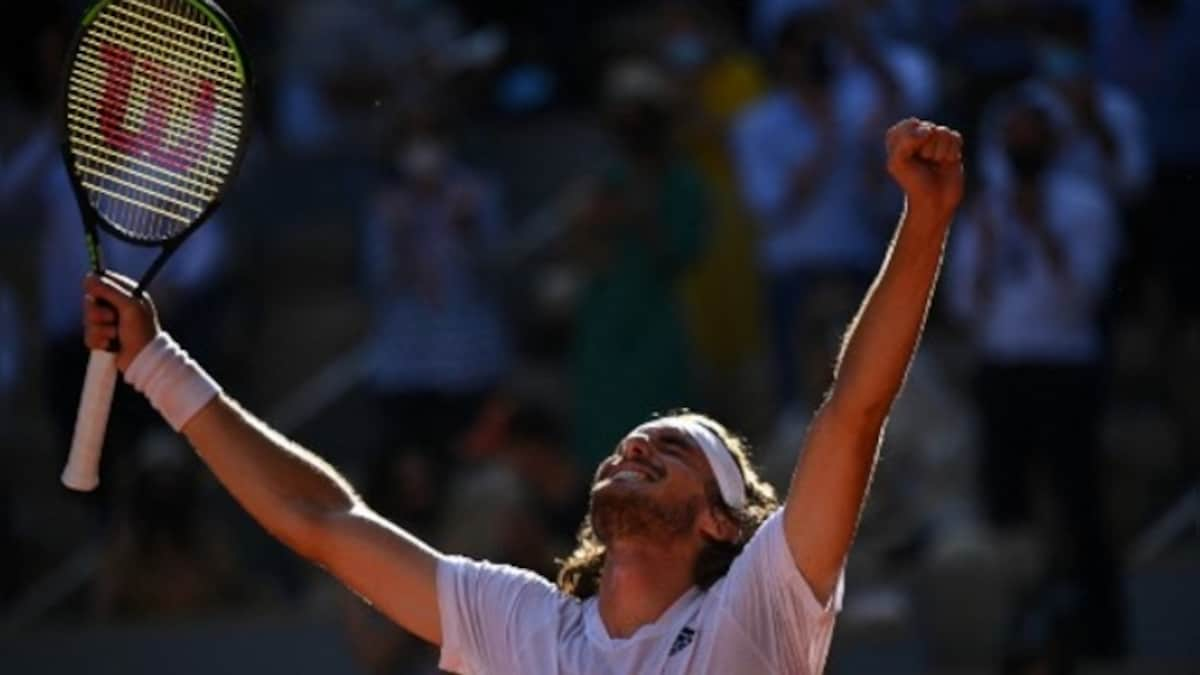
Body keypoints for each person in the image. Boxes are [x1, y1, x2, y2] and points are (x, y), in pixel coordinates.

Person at [79, 118, 963, 674]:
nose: (635, 446)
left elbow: (853, 407)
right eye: (632, 441)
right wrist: (156, 359)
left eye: (674, 448)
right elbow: (319, 517)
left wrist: (923, 224)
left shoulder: (759, 609)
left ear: (722, 523)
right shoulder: (523, 623)